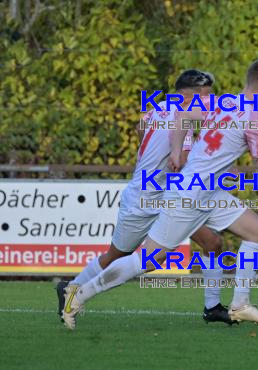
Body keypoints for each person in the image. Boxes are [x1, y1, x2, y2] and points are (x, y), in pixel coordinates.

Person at [62, 59, 258, 329]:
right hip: (189, 194)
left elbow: (183, 116)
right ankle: (80, 293)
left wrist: (177, 150)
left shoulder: (223, 103)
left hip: (207, 192)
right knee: (148, 260)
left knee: (256, 230)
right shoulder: (255, 119)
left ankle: (240, 304)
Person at [57, 69, 235, 325]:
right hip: (147, 197)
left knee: (212, 242)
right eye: (208, 95)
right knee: (120, 256)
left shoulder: (158, 108)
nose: (211, 100)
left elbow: (140, 128)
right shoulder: (181, 122)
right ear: (194, 95)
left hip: (162, 195)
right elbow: (181, 163)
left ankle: (213, 307)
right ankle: (72, 290)